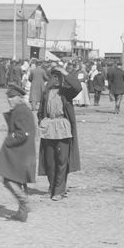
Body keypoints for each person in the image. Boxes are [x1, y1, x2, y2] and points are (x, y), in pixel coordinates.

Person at [0, 83, 36, 222]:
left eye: (12, 97)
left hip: (19, 151)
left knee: (7, 177)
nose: (9, 99)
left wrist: (8, 141)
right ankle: (22, 213)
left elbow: (23, 133)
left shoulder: (21, 111)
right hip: (22, 150)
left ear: (20, 98)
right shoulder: (21, 109)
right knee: (18, 180)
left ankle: (24, 201)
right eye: (8, 97)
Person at [38, 66, 81, 200]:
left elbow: (78, 87)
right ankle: (52, 187)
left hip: (63, 127)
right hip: (49, 127)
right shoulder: (46, 93)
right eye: (54, 76)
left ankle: (59, 190)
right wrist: (41, 123)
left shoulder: (66, 92)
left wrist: (65, 72)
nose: (56, 79)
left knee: (62, 160)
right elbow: (40, 111)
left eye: (59, 76)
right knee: (49, 160)